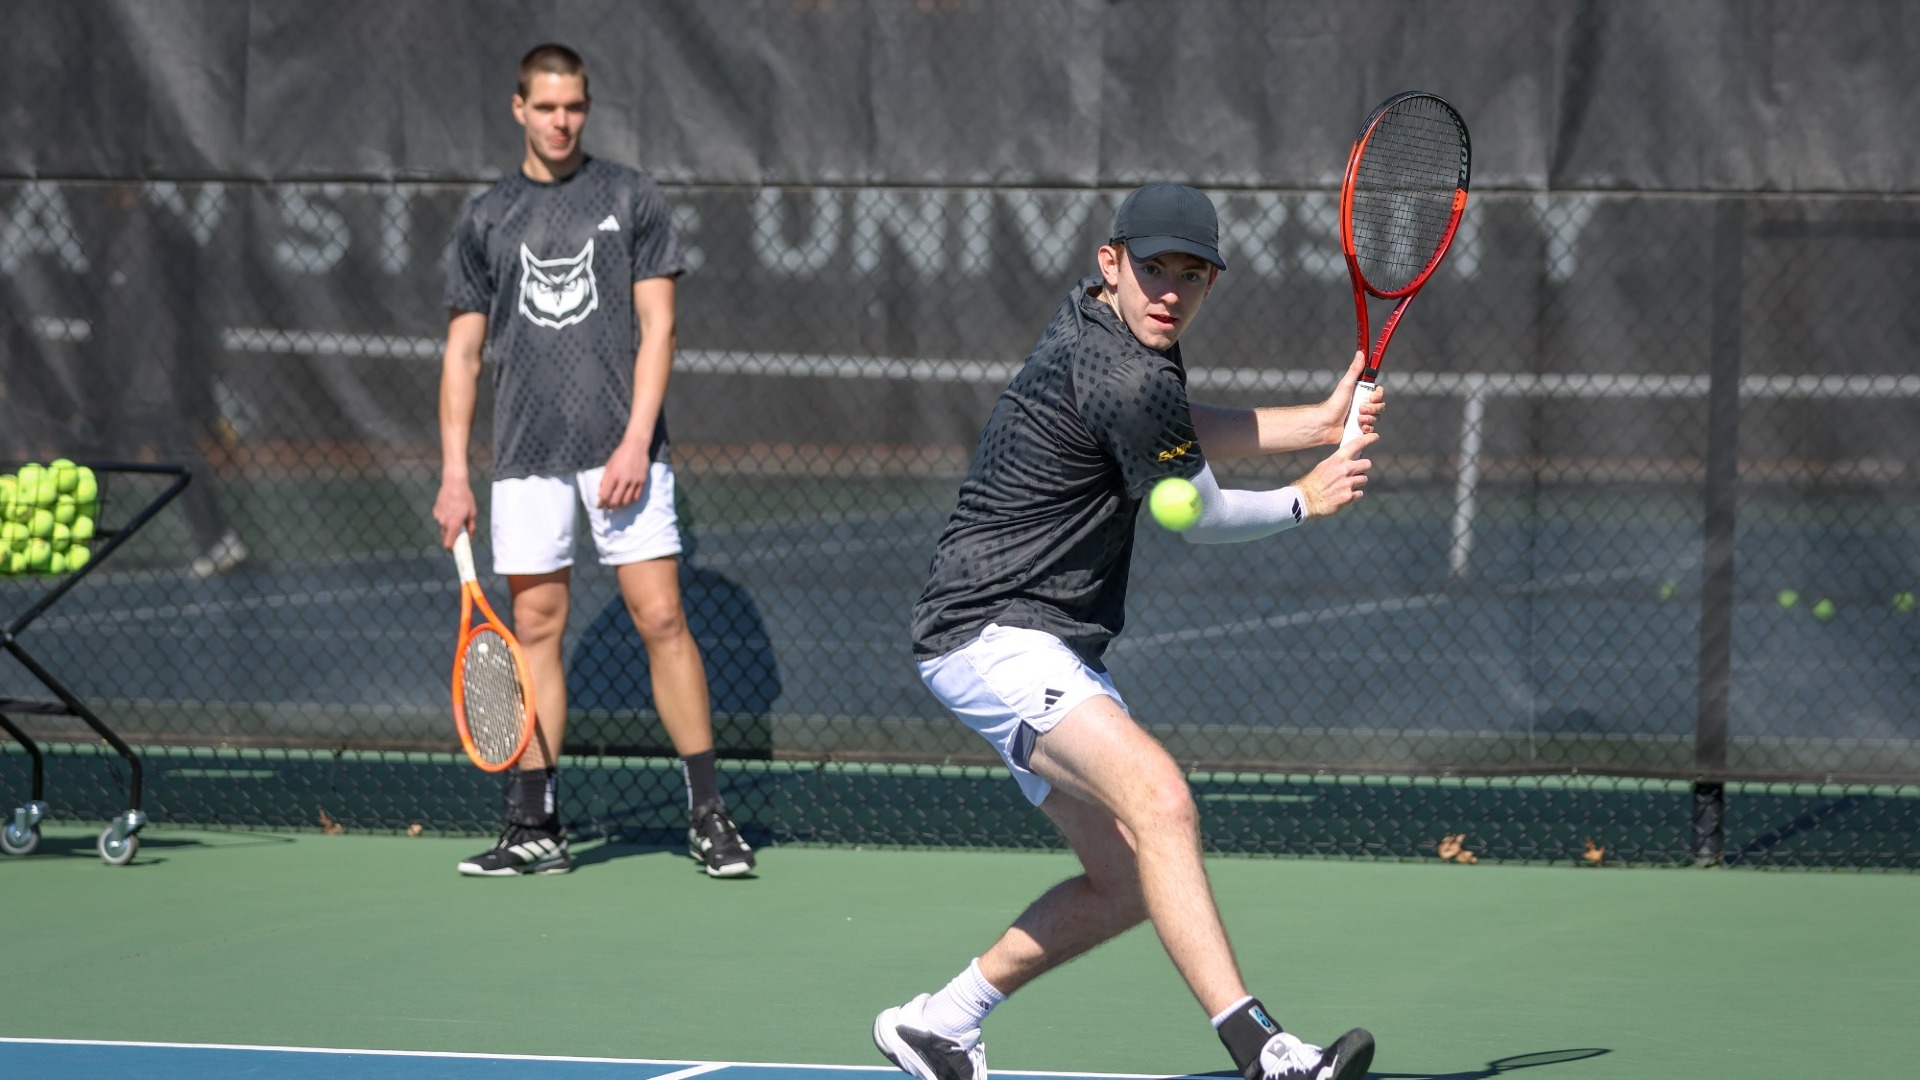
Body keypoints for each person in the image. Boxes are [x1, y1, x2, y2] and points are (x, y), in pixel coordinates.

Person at [877, 184, 1383, 1080]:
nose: (1171, 291)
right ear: (1111, 263)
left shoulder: (1109, 328)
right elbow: (1200, 511)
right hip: (991, 628)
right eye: (1154, 269)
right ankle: (1262, 1052)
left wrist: (1314, 421)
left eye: (1192, 275)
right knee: (1162, 799)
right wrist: (1308, 496)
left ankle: (939, 1024)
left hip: (1037, 635)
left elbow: (1170, 430)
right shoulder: (1126, 366)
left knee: (1124, 881)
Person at [434, 43, 754, 879]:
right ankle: (536, 825)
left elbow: (660, 328)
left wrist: (634, 441)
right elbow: (462, 354)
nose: (561, 121)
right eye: (545, 107)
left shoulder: (628, 196)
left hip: (625, 456)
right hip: (523, 457)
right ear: (518, 110)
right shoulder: (487, 216)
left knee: (661, 619)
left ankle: (710, 816)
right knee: (534, 628)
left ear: (586, 107)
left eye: (573, 106)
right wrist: (455, 473)